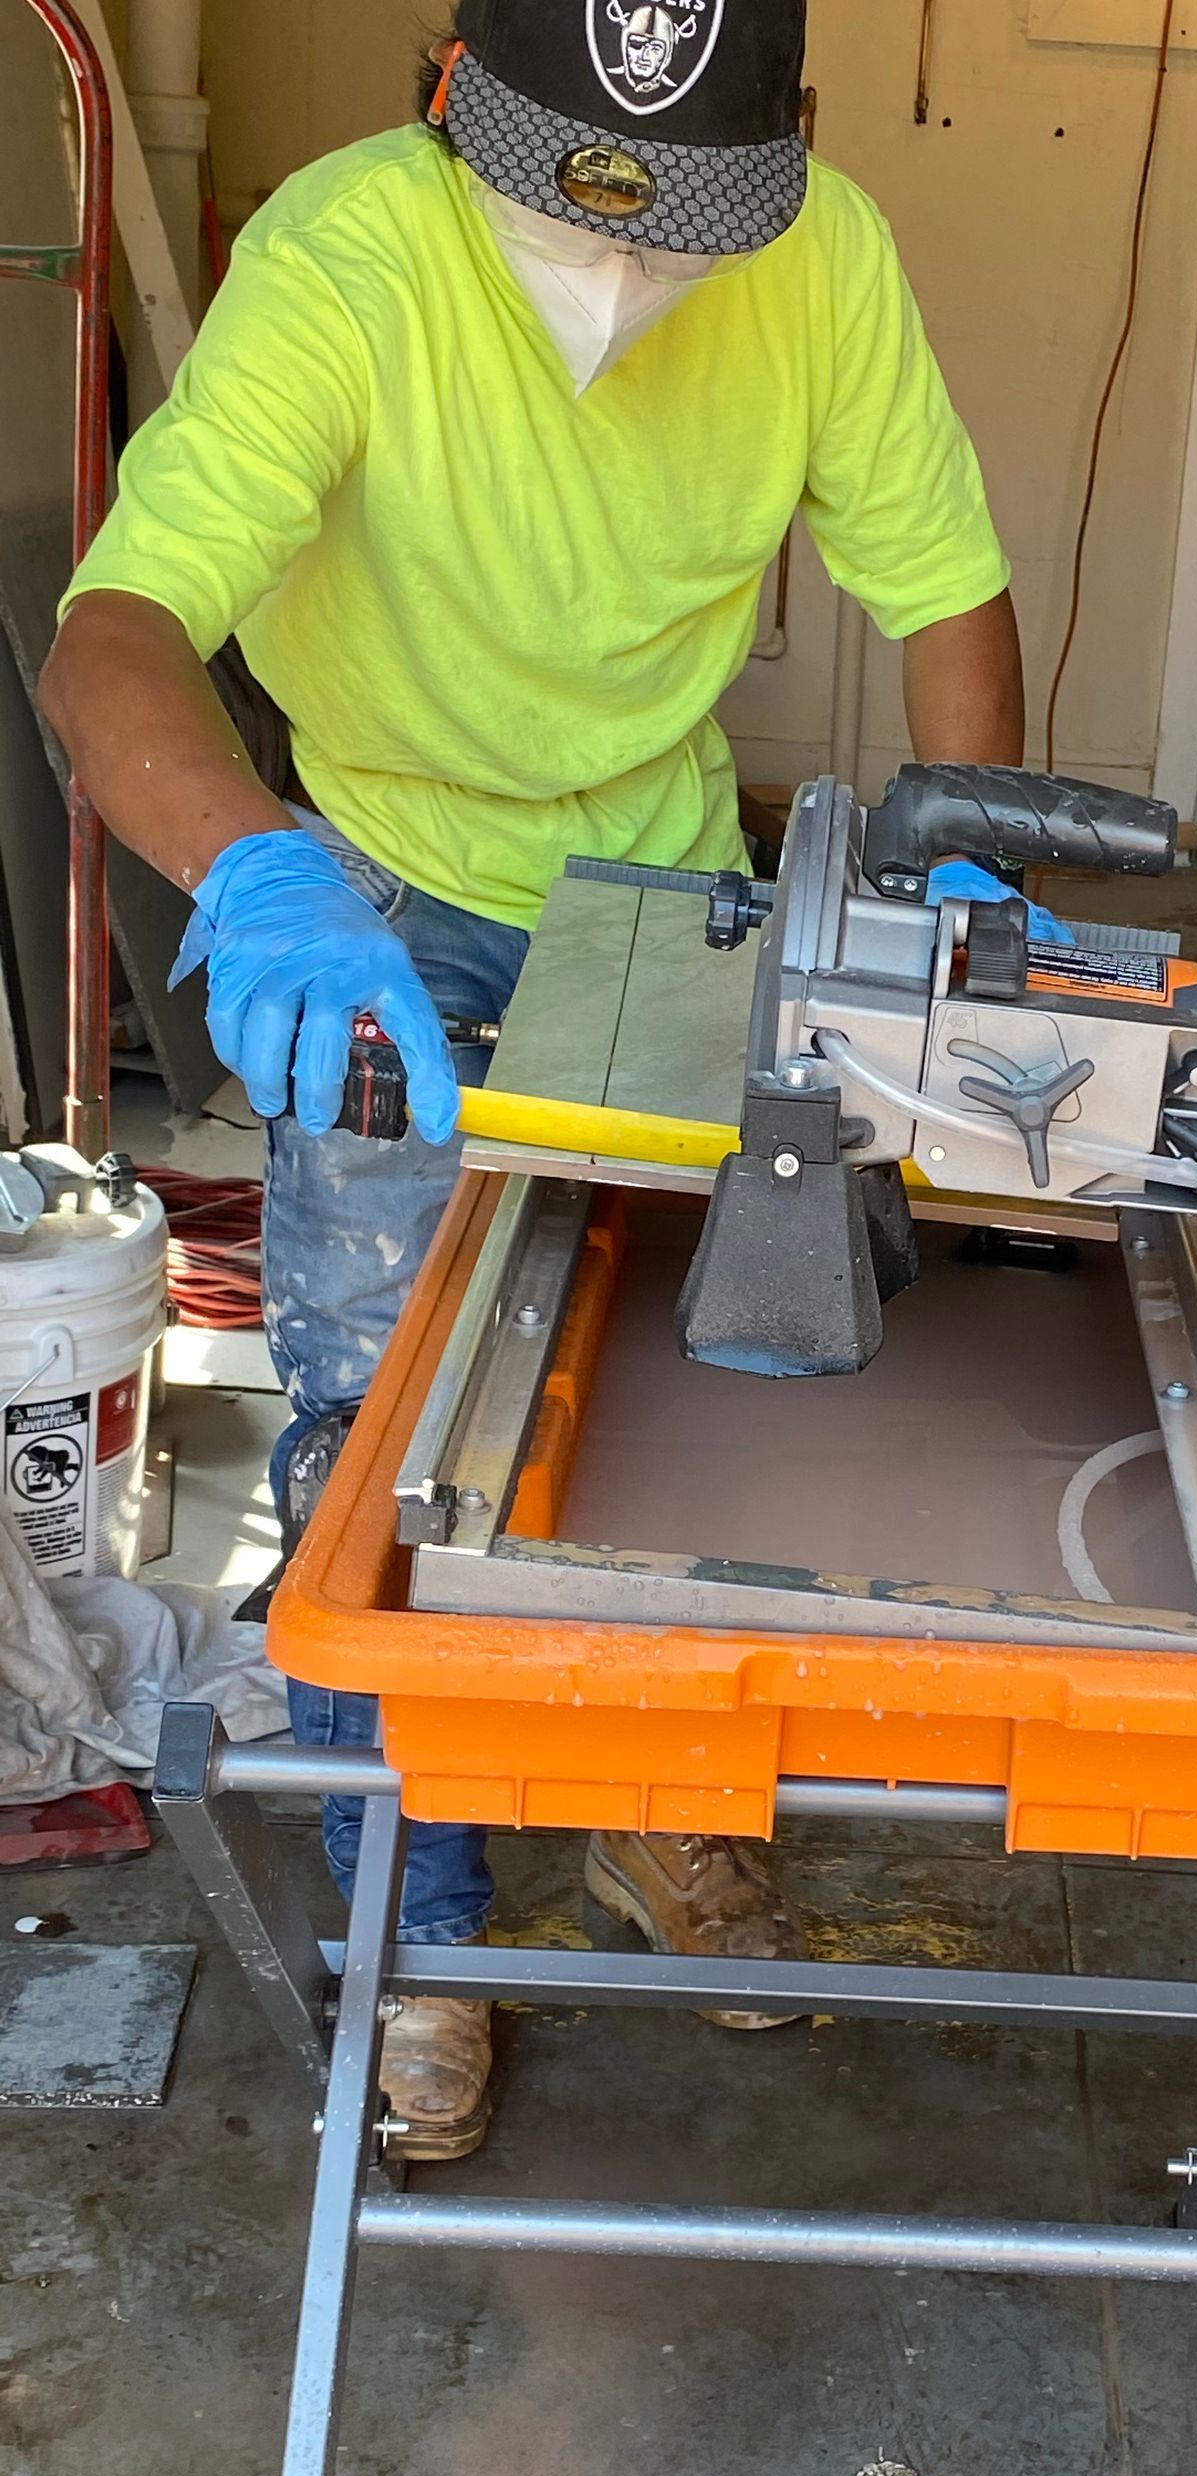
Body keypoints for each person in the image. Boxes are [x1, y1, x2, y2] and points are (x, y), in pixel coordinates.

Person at [42, 0, 1026, 2161]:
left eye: (677, 229)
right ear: (453, 100)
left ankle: (651, 1820)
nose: (622, 275)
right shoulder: (350, 254)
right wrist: (262, 869)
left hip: (660, 883)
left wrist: (965, 858)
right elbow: (113, 633)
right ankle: (425, 1928)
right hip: (374, 883)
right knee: (385, 1439)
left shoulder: (826, 262)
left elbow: (947, 588)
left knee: (678, 1408)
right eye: (578, 219)